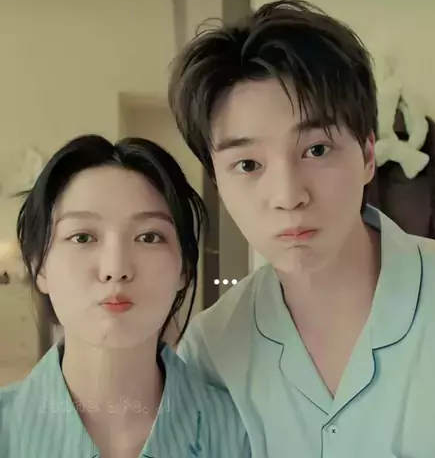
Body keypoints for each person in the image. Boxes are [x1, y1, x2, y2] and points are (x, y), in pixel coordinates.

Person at [168, 0, 435, 457]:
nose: (288, 195)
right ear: (217, 182)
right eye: (248, 164)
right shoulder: (210, 353)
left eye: (316, 150)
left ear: (368, 154)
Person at [0, 135, 251, 458]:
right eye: (82, 237)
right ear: (40, 267)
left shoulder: (243, 432)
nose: (115, 269)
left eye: (149, 237)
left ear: (185, 268)